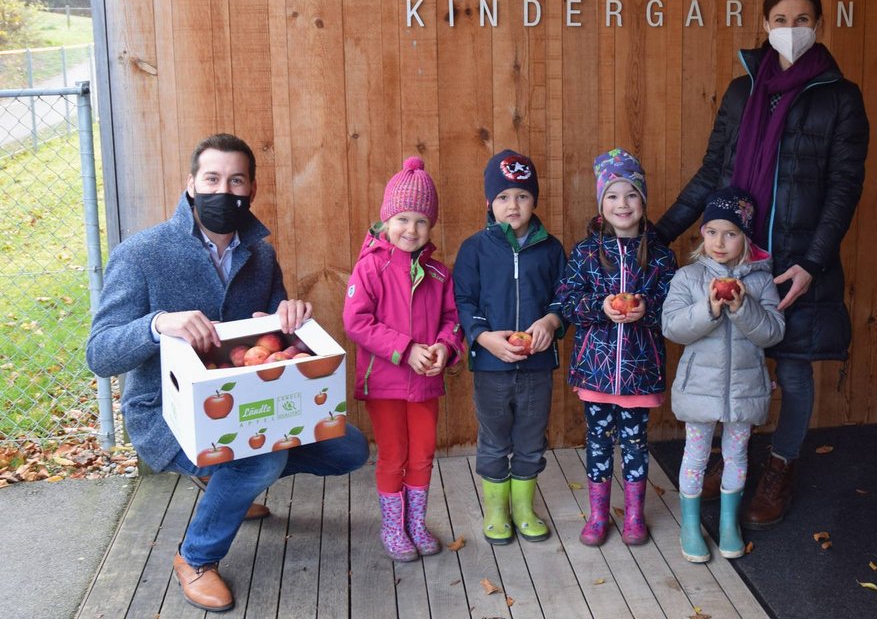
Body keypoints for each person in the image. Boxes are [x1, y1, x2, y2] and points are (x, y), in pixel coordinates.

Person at [86, 133, 369, 613]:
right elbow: (99, 354)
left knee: (348, 448)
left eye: (236, 181)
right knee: (260, 461)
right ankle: (196, 557)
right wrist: (157, 324)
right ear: (191, 185)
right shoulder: (142, 254)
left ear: (251, 189)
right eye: (212, 179)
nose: (224, 191)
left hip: (248, 406)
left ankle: (229, 483)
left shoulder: (260, 255)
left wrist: (289, 314)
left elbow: (270, 329)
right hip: (166, 412)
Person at [655, 0, 869, 528]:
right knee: (733, 362)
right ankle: (732, 458)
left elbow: (843, 189)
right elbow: (713, 174)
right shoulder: (741, 91)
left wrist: (812, 264)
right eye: (780, 20)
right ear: (764, 24)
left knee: (793, 374)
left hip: (796, 263)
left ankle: (780, 465)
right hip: (735, 257)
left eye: (802, 20)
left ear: (818, 24)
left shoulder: (841, 98)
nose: (791, 29)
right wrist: (658, 234)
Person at [342, 157, 463, 562]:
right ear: (386, 220)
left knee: (423, 454)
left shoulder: (440, 275)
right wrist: (406, 349)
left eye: (421, 221)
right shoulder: (370, 268)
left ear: (431, 226)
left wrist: (444, 347)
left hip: (425, 382)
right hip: (385, 383)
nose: (411, 229)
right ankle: (393, 527)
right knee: (393, 455)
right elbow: (356, 322)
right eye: (402, 219)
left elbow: (452, 320)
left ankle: (416, 523)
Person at [557, 148, 677, 547]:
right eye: (612, 195)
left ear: (643, 200)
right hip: (596, 371)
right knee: (598, 441)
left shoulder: (661, 255)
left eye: (631, 194)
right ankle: (597, 514)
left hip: (640, 372)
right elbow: (568, 301)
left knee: (636, 443)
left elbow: (674, 307)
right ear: (601, 203)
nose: (622, 204)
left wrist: (646, 309)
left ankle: (635, 515)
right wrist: (601, 307)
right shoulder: (585, 252)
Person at [662, 187, 785, 562]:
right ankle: (689, 523)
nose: (719, 242)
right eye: (712, 231)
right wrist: (710, 309)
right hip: (700, 387)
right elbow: (673, 327)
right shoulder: (688, 278)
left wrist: (743, 307)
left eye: (731, 233)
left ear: (746, 238)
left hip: (745, 388)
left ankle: (729, 523)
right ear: (702, 234)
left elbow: (773, 332)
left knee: (736, 455)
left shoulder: (762, 282)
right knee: (696, 456)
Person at [453, 149, 566, 544]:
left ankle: (523, 508)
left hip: (537, 368)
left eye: (522, 195)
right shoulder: (474, 249)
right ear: (490, 201)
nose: (512, 205)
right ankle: (497, 509)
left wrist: (551, 321)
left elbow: (564, 297)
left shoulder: (551, 249)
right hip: (491, 367)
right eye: (503, 196)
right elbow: (463, 300)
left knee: (531, 439)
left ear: (535, 200)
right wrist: (483, 338)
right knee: (494, 438)